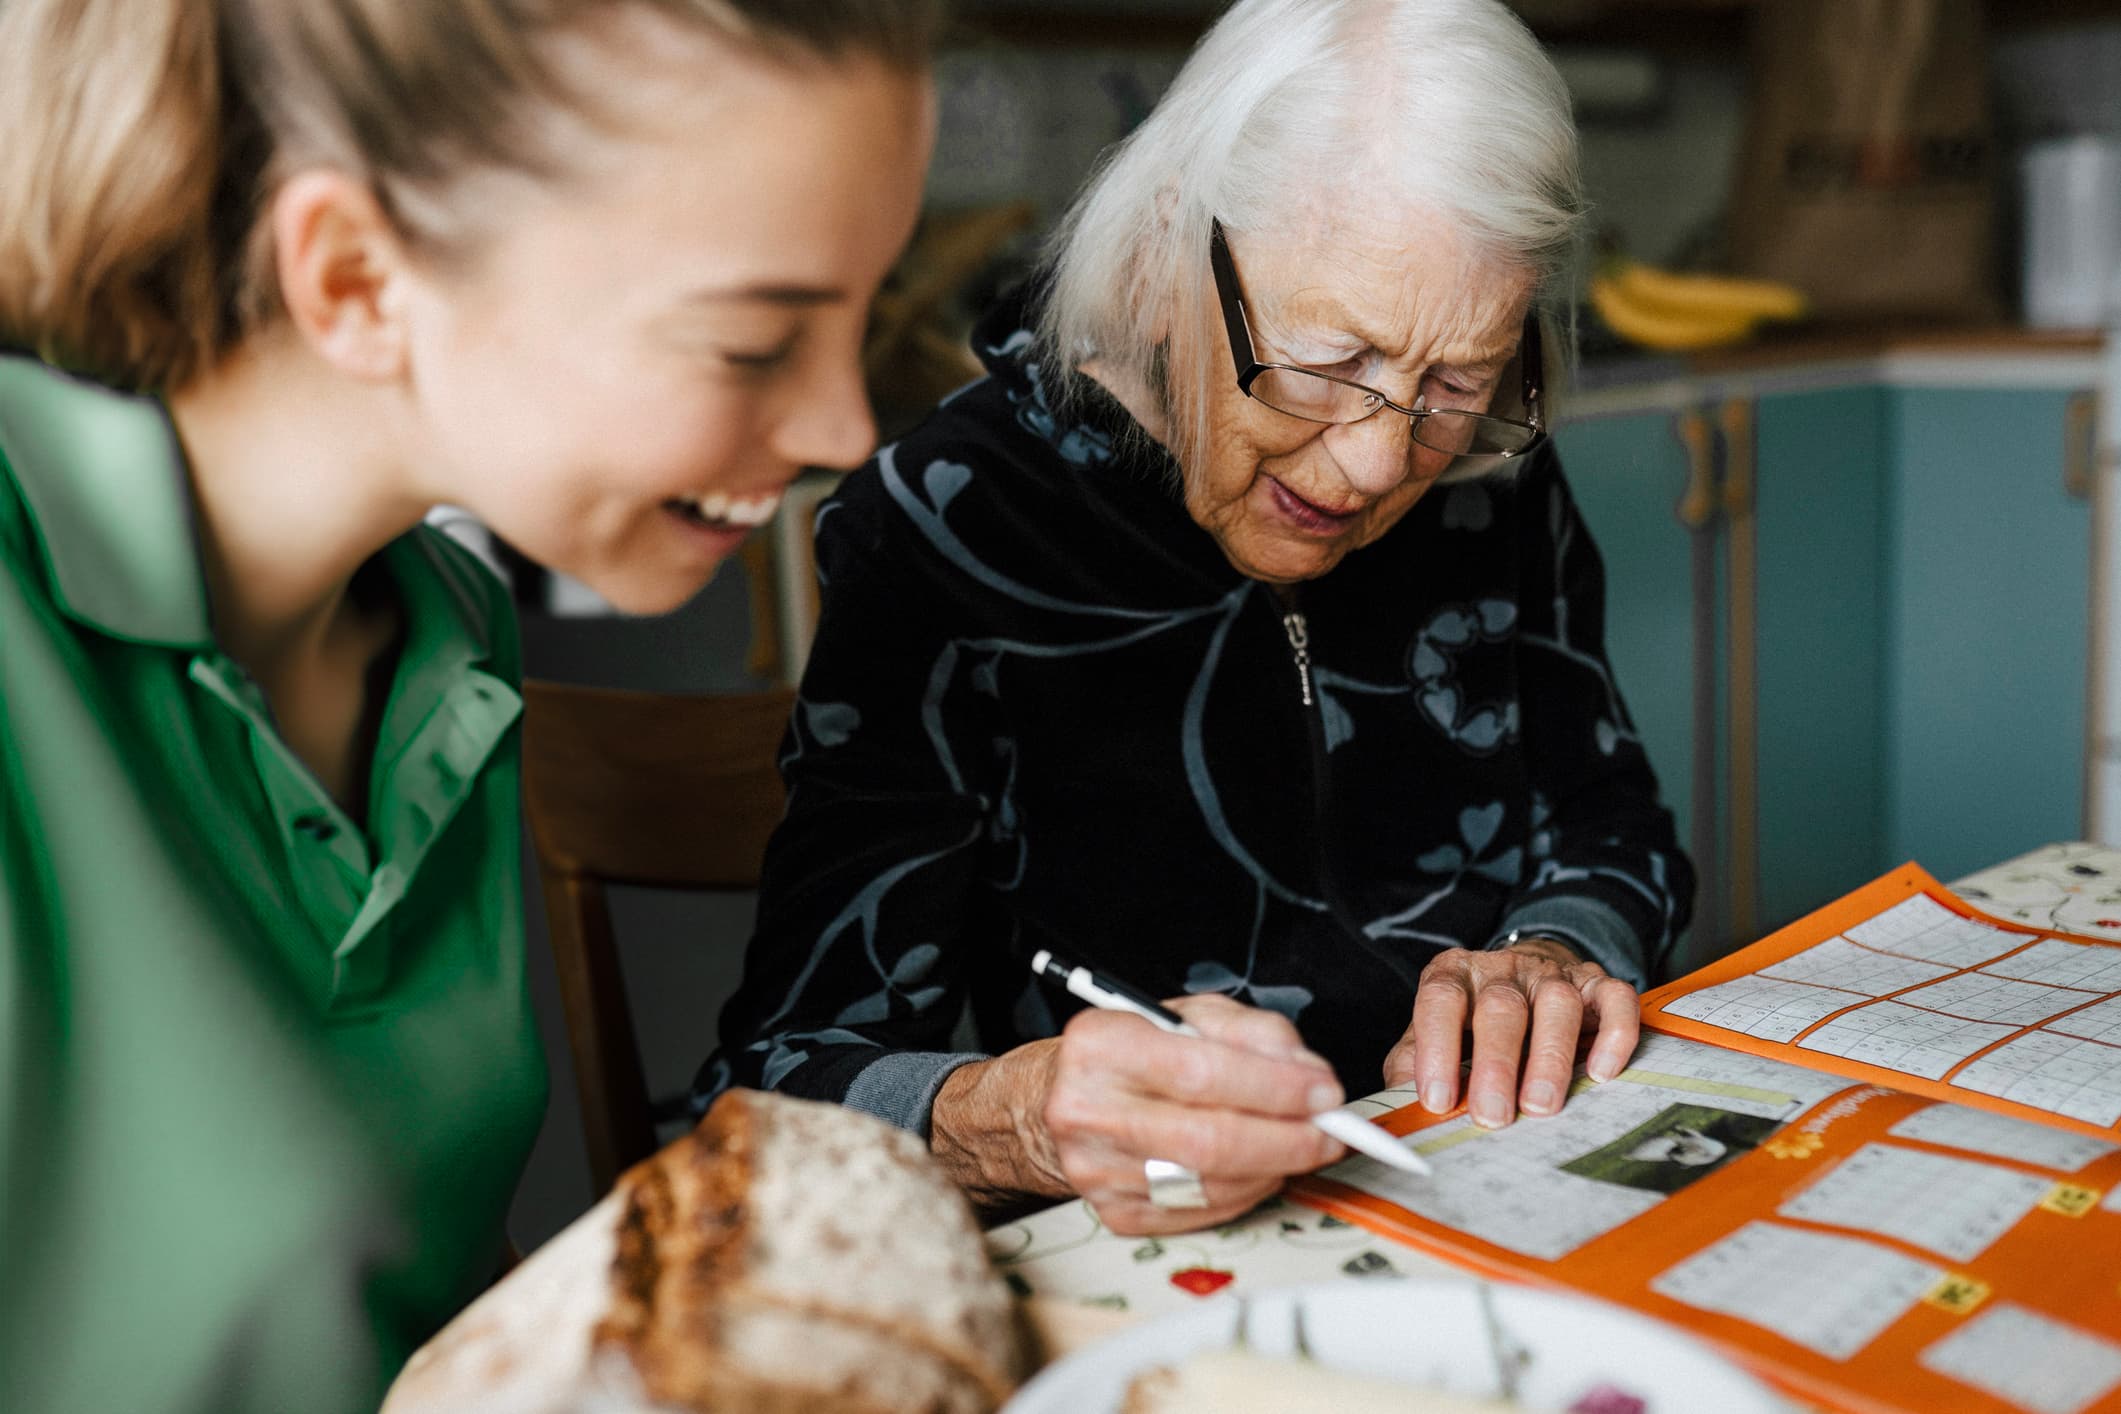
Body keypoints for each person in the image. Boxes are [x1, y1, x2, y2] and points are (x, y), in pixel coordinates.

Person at [0, 2, 936, 1410]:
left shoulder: (451, 631)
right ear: (357, 279)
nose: (844, 433)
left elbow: (410, 1298)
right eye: (753, 342)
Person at [701, 0, 1694, 1236]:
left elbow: (1615, 825)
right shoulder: (947, 523)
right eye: (1329, 360)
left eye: (1455, 382)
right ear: (1173, 243)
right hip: (1156, 1249)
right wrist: (1025, 1118)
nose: (1383, 462)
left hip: (1502, 1186)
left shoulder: (1488, 474)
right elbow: (775, 1088)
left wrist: (1555, 949)